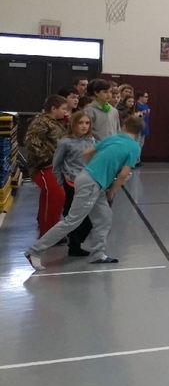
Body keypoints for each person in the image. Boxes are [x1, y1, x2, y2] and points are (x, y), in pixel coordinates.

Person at [25, 115, 143, 270]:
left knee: (104, 217)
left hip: (89, 179)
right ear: (139, 133)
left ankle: (97, 254)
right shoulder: (134, 147)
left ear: (124, 126)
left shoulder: (112, 138)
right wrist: (112, 191)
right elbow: (123, 174)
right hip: (92, 183)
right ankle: (35, 251)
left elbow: (86, 153)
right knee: (72, 221)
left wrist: (91, 169)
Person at [24, 95, 69, 238]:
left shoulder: (57, 122)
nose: (65, 112)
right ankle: (50, 233)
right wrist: (46, 159)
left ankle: (47, 226)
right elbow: (31, 142)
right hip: (42, 166)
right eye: (63, 109)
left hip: (54, 165)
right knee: (57, 194)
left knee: (49, 195)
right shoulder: (41, 122)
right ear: (53, 108)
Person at [53, 110, 96, 257]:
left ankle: (77, 240)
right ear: (73, 124)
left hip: (87, 182)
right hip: (70, 182)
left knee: (88, 217)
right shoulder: (65, 142)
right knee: (71, 215)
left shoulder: (91, 140)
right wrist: (60, 183)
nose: (84, 126)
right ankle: (74, 245)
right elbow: (56, 164)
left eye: (87, 123)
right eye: (80, 123)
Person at [135, 91, 151, 165]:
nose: (147, 98)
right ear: (140, 97)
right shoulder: (136, 105)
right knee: (136, 144)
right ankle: (134, 161)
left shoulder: (146, 105)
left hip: (145, 127)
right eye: (145, 97)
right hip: (138, 128)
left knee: (141, 144)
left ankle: (138, 160)